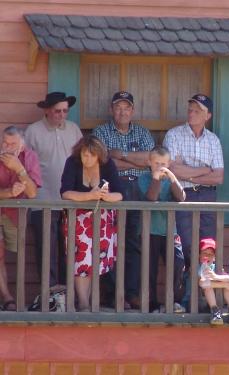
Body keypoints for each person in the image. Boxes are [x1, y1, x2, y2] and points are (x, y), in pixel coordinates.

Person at [93, 91, 155, 309]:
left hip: (138, 189)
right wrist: (132, 161)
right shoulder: (100, 131)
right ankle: (112, 294)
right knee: (110, 242)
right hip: (112, 190)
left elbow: (150, 161)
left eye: (126, 107)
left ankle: (130, 293)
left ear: (133, 111)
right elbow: (103, 162)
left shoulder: (142, 132)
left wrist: (122, 155)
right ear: (112, 110)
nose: (122, 112)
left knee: (133, 243)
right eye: (118, 107)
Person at [25, 91, 83, 287]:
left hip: (70, 200)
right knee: (46, 250)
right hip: (43, 199)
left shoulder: (74, 129)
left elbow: (83, 161)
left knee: (69, 250)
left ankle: (66, 293)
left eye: (65, 111)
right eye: (57, 111)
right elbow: (26, 165)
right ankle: (49, 294)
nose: (61, 115)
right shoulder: (33, 131)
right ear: (47, 110)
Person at [60, 135, 123, 311]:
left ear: (99, 156)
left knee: (96, 260)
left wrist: (106, 197)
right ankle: (84, 303)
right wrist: (89, 196)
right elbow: (65, 192)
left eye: (91, 155)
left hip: (102, 221)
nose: (86, 158)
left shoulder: (108, 165)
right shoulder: (72, 163)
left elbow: (120, 194)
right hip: (78, 220)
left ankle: (90, 300)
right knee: (81, 262)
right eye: (84, 155)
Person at [162, 94, 223, 269]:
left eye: (197, 111)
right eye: (190, 110)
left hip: (207, 196)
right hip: (182, 194)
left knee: (208, 244)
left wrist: (187, 172)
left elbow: (218, 177)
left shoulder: (213, 140)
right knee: (185, 244)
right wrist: (204, 170)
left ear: (208, 116)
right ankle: (188, 291)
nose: (192, 113)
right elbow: (172, 170)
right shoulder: (174, 135)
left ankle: (204, 290)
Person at [137, 146, 185, 312]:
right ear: (149, 162)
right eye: (156, 163)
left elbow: (181, 197)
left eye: (163, 163)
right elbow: (151, 198)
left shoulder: (171, 179)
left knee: (178, 264)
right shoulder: (143, 178)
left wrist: (172, 178)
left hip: (170, 230)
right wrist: (156, 179)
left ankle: (174, 302)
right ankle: (151, 305)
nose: (160, 166)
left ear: (169, 163)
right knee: (149, 268)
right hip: (149, 230)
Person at [0, 126, 41, 311]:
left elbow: (32, 193)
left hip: (16, 214)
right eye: (4, 143)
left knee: (19, 254)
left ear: (21, 145)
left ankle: (18, 298)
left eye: (12, 144)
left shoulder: (29, 157)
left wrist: (19, 168)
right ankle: (7, 297)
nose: (7, 147)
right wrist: (9, 192)